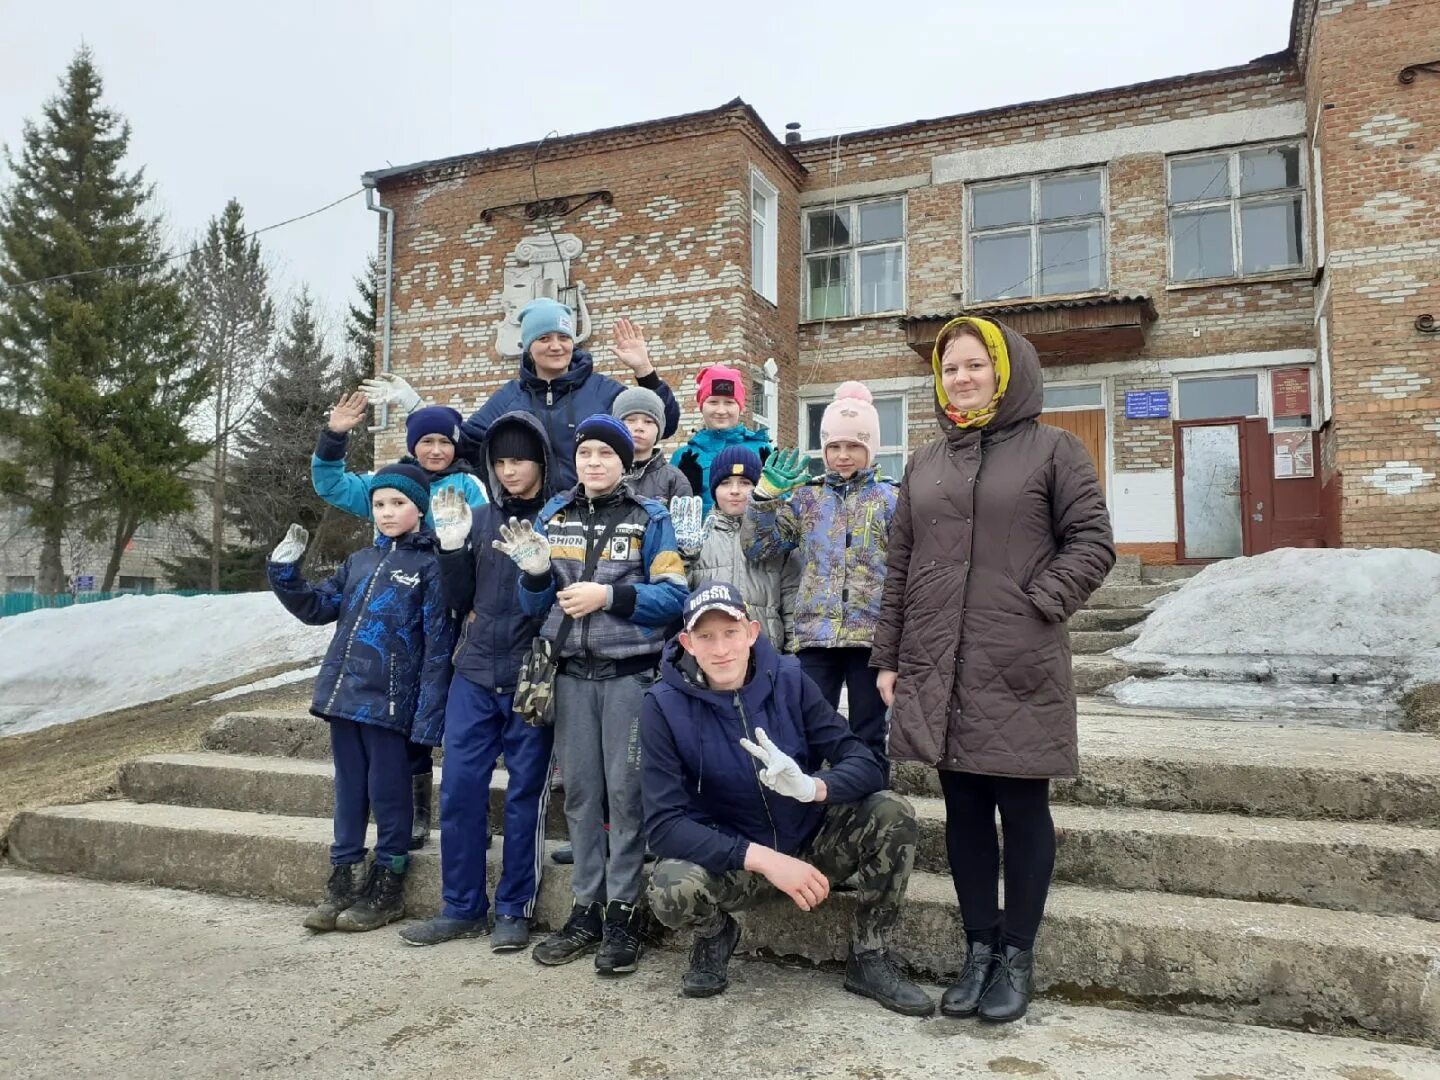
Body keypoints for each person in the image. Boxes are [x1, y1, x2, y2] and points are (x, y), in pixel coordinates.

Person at [871, 316, 1114, 1024]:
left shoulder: (1054, 449)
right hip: (936, 659)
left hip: (1018, 658)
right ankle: (978, 950)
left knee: (1022, 807)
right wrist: (888, 656)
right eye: (950, 368)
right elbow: (900, 565)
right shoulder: (925, 461)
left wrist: (1036, 604)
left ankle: (1017, 955)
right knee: (964, 810)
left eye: (975, 365)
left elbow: (1092, 542)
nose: (962, 378)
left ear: (1006, 372)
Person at [640, 581, 933, 1016]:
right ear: (687, 643)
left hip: (809, 841)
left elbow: (864, 761)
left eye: (731, 632)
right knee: (670, 888)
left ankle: (868, 954)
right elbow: (664, 826)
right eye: (706, 636)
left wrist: (814, 787)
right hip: (735, 861)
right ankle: (716, 934)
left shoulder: (790, 679)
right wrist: (763, 858)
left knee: (893, 812)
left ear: (752, 633)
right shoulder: (662, 705)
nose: (721, 649)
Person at [495, 413, 687, 975]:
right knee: (580, 795)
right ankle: (586, 909)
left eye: (606, 454)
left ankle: (623, 912)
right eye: (585, 454)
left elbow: (674, 596)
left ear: (624, 462)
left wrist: (609, 597)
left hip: (631, 676)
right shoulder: (552, 515)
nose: (594, 463)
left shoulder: (650, 518)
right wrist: (535, 574)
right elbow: (534, 607)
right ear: (574, 461)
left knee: (625, 796)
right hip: (571, 676)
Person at [266, 463, 453, 934]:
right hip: (344, 696)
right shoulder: (359, 561)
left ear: (419, 509)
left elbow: (438, 646)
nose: (387, 512)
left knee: (389, 795)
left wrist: (429, 716)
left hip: (390, 703)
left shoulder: (431, 566)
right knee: (349, 791)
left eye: (398, 503)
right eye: (379, 504)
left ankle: (388, 884)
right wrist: (284, 572)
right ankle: (343, 878)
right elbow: (318, 607)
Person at [399, 412, 556, 953]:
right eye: (501, 462)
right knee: (461, 789)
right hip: (473, 671)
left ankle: (514, 907)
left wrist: (540, 570)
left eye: (520, 461)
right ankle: (461, 907)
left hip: (532, 675)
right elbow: (457, 599)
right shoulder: (480, 518)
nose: (510, 471)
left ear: (541, 463)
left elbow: (555, 605)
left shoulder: (558, 519)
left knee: (525, 794)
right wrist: (450, 548)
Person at [314, 393, 488, 848]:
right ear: (413, 445)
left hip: (449, 605)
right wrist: (334, 436)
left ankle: (467, 813)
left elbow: (485, 536)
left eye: (444, 442)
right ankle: (413, 812)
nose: (436, 450)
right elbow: (332, 485)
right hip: (397, 616)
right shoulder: (390, 482)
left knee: (445, 715)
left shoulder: (467, 485)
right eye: (426, 441)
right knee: (400, 724)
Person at [742, 382, 897, 781]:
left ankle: (869, 798)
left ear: (871, 448)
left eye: (854, 446)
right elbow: (759, 547)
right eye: (834, 446)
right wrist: (763, 500)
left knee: (867, 730)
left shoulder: (891, 499)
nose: (843, 455)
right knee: (807, 724)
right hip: (816, 635)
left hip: (870, 635)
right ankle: (805, 797)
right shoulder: (806, 498)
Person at [395, 303, 682, 493]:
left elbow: (663, 425)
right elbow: (462, 444)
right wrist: (419, 411)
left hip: (594, 515)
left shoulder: (602, 391)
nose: (556, 346)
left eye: (564, 337)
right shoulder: (509, 397)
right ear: (528, 347)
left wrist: (644, 370)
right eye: (544, 339)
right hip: (529, 520)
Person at [679, 446, 797, 651]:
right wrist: (684, 559)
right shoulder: (696, 538)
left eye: (745, 482)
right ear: (713, 489)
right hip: (712, 653)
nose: (735, 490)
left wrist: (792, 658)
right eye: (725, 483)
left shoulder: (775, 537)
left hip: (767, 653)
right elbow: (678, 598)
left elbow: (793, 606)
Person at [670, 364, 772, 516]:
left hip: (752, 531)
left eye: (729, 402)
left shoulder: (762, 450)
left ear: (741, 407)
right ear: (701, 406)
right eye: (713, 402)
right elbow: (669, 509)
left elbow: (784, 505)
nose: (721, 410)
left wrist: (769, 492)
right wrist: (686, 493)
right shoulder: (685, 456)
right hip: (703, 531)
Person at [612, 385, 692, 502]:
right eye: (630, 420)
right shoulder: (602, 472)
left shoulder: (674, 480)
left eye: (648, 421)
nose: (639, 427)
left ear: (659, 430)